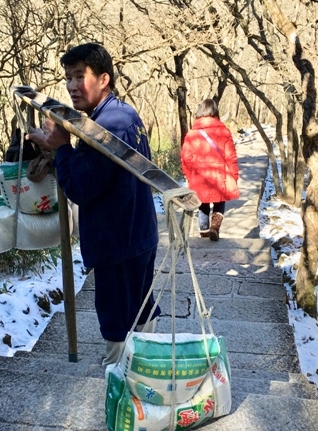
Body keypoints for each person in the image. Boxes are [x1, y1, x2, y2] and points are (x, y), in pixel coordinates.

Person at [28, 43, 160, 365]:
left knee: (116, 314)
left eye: (79, 76)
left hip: (118, 240)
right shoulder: (122, 113)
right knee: (141, 304)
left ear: (104, 79)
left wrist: (61, 147)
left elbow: (80, 188)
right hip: (138, 231)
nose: (72, 85)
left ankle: (119, 373)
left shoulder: (105, 127)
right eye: (68, 78)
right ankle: (148, 365)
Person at [180, 99, 240, 241]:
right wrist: (234, 176)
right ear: (215, 112)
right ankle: (215, 227)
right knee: (220, 202)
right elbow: (231, 157)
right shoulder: (224, 132)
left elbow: (186, 159)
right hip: (219, 176)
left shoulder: (191, 134)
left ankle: (204, 232)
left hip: (199, 177)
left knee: (202, 204)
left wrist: (189, 176)